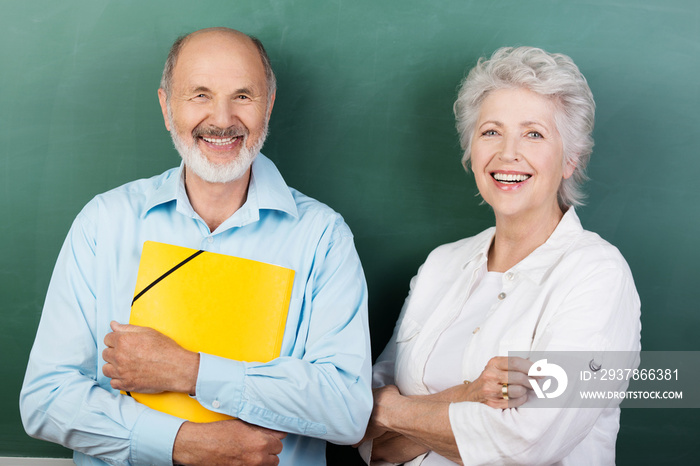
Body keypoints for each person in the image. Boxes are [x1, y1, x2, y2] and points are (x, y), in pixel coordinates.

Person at [20, 27, 372, 466]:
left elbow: (347, 410)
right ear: (167, 108)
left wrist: (190, 371)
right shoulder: (104, 223)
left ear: (269, 107)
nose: (222, 119)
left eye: (243, 96)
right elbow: (46, 399)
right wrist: (180, 443)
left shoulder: (323, 237)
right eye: (199, 95)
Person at [358, 47, 641, 465]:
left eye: (534, 134)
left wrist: (391, 410)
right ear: (470, 150)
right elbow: (369, 443)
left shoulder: (597, 275)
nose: (508, 153)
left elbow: (523, 447)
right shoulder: (440, 265)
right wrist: (468, 398)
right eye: (491, 131)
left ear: (570, 159)